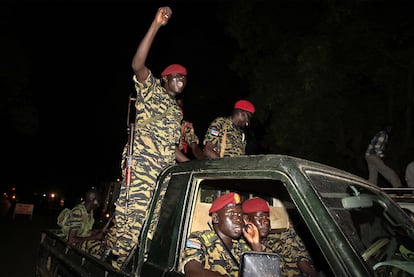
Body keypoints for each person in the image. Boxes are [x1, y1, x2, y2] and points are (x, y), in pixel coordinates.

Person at [111, 6, 189, 269]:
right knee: (130, 227)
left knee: (152, 230)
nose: (181, 80)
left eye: (184, 78)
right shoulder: (152, 90)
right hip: (142, 168)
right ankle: (106, 264)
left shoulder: (177, 113)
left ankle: (133, 268)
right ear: (166, 79)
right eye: (176, 76)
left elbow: (171, 147)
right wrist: (156, 25)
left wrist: (187, 164)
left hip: (162, 173)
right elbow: (137, 64)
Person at [181, 192, 261, 276]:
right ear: (216, 218)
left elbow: (260, 273)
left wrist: (256, 245)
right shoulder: (200, 239)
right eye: (231, 214)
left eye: (240, 215)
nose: (238, 219)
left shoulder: (242, 245)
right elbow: (192, 271)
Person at [242, 197, 318, 277]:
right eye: (259, 217)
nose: (266, 221)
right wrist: (257, 247)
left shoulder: (275, 240)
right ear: (246, 219)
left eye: (267, 217)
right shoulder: (241, 247)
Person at [58, 189, 105, 255]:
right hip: (73, 243)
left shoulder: (89, 212)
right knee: (99, 248)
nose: (99, 204)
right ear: (93, 200)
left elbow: (84, 231)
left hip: (80, 240)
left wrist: (94, 233)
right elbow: (71, 240)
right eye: (98, 201)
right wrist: (95, 237)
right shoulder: (78, 212)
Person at [176, 94, 205, 160]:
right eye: (175, 104)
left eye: (180, 105)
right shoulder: (161, 122)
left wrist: (204, 161)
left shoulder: (185, 125)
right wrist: (187, 164)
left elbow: (194, 145)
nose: (178, 108)